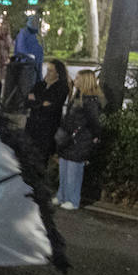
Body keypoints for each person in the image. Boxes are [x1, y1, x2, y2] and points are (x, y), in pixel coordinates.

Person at [54, 69, 104, 210]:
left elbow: (95, 122)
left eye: (77, 78)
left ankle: (73, 200)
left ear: (84, 81)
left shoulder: (90, 101)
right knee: (64, 168)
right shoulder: (77, 96)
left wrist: (94, 137)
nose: (74, 80)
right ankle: (62, 195)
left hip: (80, 139)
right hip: (69, 138)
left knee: (73, 171)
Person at [23, 58, 70, 168]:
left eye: (51, 71)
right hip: (32, 125)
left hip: (47, 128)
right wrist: (42, 103)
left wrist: (36, 100)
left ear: (58, 73)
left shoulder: (62, 88)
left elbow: (52, 107)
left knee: (41, 157)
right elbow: (26, 102)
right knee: (27, 154)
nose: (47, 73)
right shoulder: (39, 85)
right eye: (47, 70)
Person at [11, 15, 44, 105]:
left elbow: (41, 48)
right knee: (25, 87)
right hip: (26, 66)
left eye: (37, 22)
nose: (35, 23)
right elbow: (21, 48)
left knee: (35, 87)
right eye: (33, 22)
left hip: (37, 66)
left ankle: (31, 104)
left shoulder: (37, 34)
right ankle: (22, 105)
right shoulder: (23, 33)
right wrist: (30, 57)